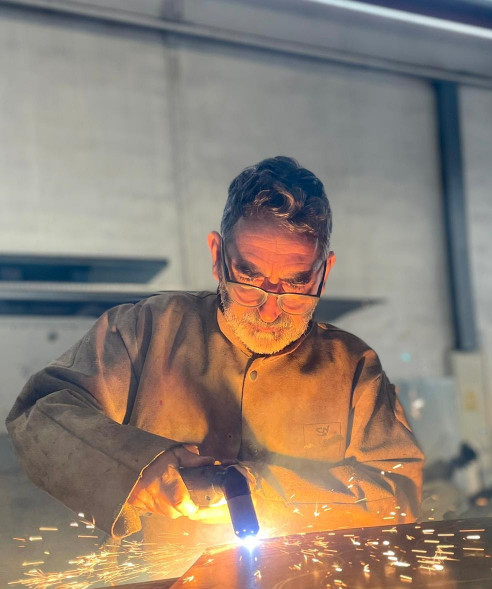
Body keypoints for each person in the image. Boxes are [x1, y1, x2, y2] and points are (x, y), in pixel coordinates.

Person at [6, 156, 424, 552]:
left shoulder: (352, 368)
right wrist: (135, 465)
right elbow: (40, 413)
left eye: (295, 286)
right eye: (249, 278)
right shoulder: (145, 332)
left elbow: (398, 493)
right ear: (216, 256)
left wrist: (263, 490)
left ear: (325, 272)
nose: (270, 309)